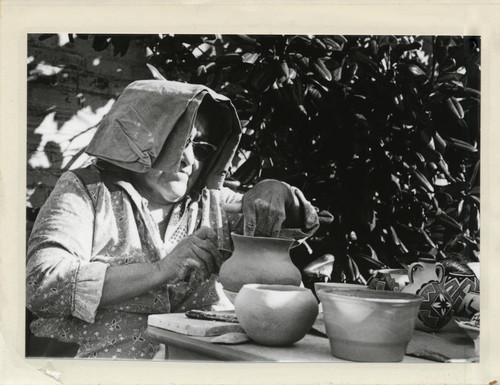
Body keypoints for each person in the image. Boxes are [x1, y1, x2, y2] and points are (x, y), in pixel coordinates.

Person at [26, 80, 319, 359]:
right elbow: (42, 283)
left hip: (195, 363)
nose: (190, 160)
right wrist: (160, 269)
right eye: (180, 141)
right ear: (141, 137)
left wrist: (277, 191)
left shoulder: (212, 204)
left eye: (202, 149)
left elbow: (286, 225)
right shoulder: (86, 191)